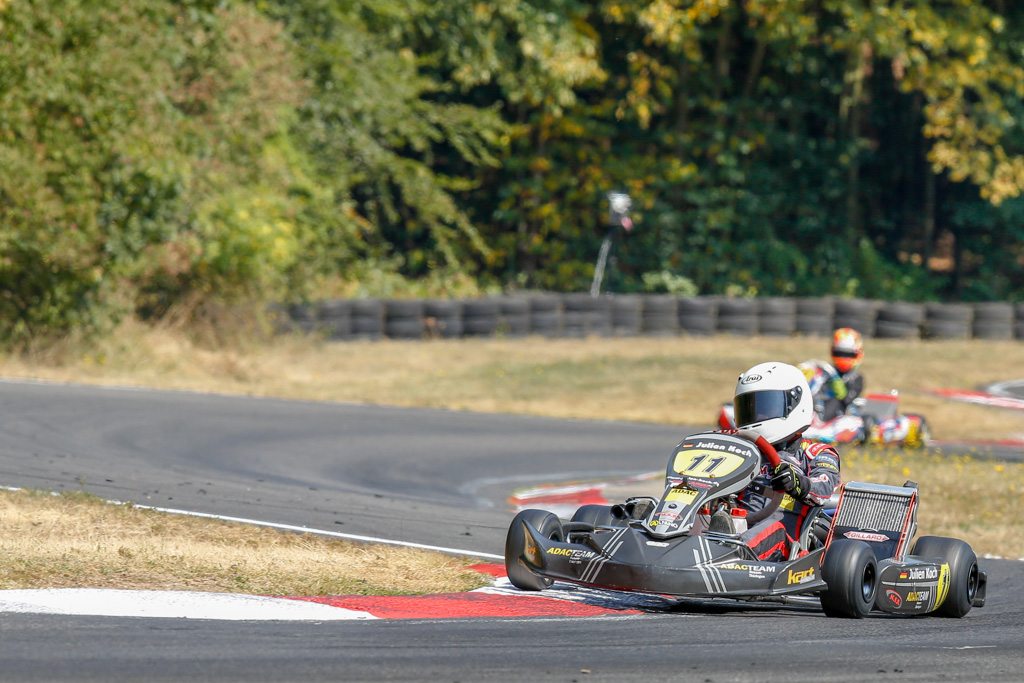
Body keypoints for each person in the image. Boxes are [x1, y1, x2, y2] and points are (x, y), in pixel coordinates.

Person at [728, 361, 841, 561]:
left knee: (771, 529)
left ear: (793, 404)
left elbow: (823, 488)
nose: (757, 416)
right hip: (735, 523)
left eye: (764, 408)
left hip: (785, 539)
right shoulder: (741, 450)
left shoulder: (816, 452)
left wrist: (797, 483)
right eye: (750, 409)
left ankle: (728, 557)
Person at [799, 327, 866, 421]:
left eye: (848, 354)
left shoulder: (856, 377)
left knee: (834, 401)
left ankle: (820, 421)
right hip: (818, 405)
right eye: (839, 353)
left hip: (842, 412)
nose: (843, 358)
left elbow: (846, 400)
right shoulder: (826, 371)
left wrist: (836, 380)